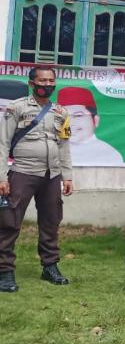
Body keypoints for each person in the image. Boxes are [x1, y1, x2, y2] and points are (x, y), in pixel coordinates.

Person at [0, 66, 73, 292]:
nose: (47, 85)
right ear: (32, 83)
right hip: (22, 172)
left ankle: (50, 266)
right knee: (9, 222)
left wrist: (67, 176)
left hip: (51, 175)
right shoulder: (16, 108)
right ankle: (5, 271)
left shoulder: (60, 112)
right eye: (42, 81)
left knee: (51, 222)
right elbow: (2, 143)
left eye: (51, 81)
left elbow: (63, 145)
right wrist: (1, 177)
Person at [56, 87, 123, 166]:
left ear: (95, 120)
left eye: (78, 115)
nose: (70, 123)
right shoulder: (51, 151)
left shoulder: (110, 155)